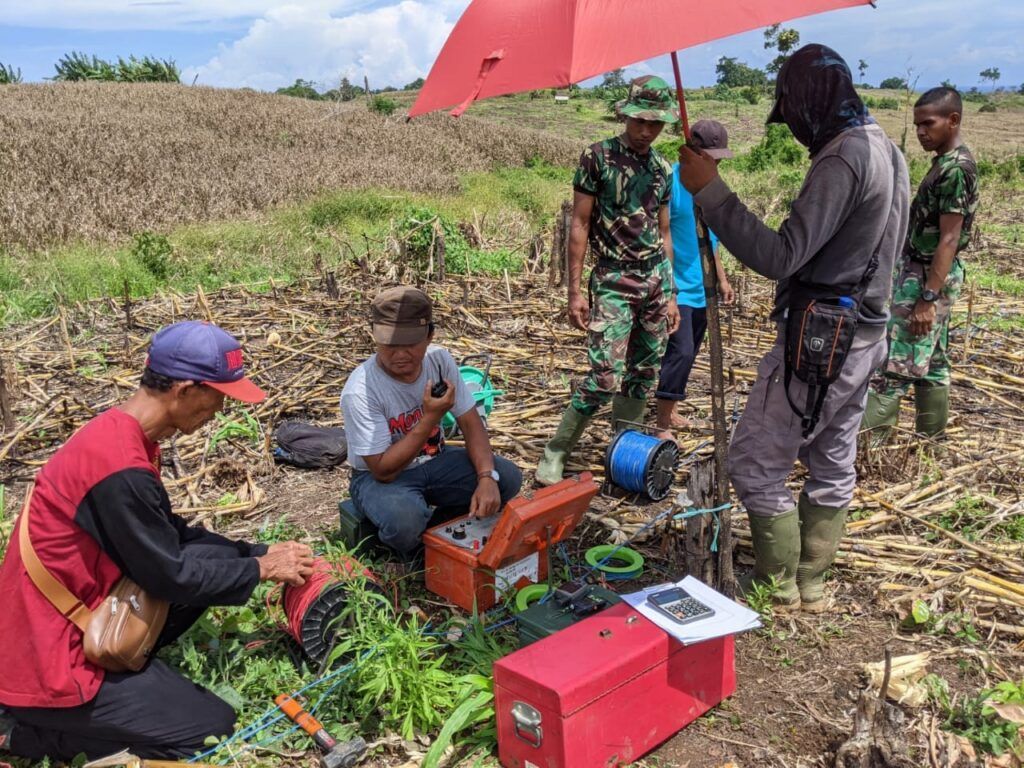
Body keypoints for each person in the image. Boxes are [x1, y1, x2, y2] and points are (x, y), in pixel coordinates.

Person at [0, 321, 314, 761]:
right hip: (48, 663)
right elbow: (171, 574)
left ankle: (134, 685)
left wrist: (257, 553)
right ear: (184, 390)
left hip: (57, 620)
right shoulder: (119, 468)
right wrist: (261, 570)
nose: (220, 411)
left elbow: (173, 537)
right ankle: (19, 733)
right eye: (218, 397)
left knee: (210, 557)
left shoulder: (120, 435)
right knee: (209, 727)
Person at [677, 44, 910, 611]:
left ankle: (777, 588)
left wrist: (709, 190)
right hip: (865, 336)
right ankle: (813, 585)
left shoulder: (843, 157)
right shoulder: (888, 150)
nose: (797, 131)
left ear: (810, 102)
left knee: (755, 463)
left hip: (819, 342)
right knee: (833, 456)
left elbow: (783, 256)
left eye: (793, 114)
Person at [536, 75, 681, 486]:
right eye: (640, 122)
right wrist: (574, 291)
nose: (647, 131)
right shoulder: (597, 158)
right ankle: (557, 450)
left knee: (643, 372)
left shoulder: (661, 168)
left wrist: (670, 293)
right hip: (614, 278)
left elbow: (664, 232)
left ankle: (624, 451)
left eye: (656, 124)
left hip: (655, 279)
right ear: (627, 115)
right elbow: (579, 224)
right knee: (604, 375)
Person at [341, 286, 522, 558]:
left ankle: (435, 534)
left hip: (435, 459)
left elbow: (471, 422)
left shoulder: (439, 360)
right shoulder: (362, 389)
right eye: (390, 344)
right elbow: (383, 470)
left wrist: (486, 477)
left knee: (506, 478)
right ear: (375, 337)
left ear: (430, 336)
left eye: (410, 343)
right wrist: (431, 417)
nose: (400, 354)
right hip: (379, 478)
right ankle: (408, 540)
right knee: (403, 520)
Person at [863, 87, 979, 439]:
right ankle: (931, 443)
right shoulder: (944, 165)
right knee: (933, 362)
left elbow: (949, 237)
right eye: (916, 125)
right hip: (927, 272)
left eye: (928, 123)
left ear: (953, 120)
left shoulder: (956, 169)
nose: (920, 132)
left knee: (896, 361)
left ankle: (868, 449)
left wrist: (926, 298)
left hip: (929, 274)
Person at [655, 119, 736, 433]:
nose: (715, 164)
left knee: (692, 352)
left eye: (718, 159)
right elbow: (665, 238)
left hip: (705, 287)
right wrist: (669, 290)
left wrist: (723, 278)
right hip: (680, 288)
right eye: (710, 157)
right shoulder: (671, 183)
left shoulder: (712, 188)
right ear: (692, 153)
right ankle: (662, 423)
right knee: (681, 350)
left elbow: (712, 237)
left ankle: (671, 409)